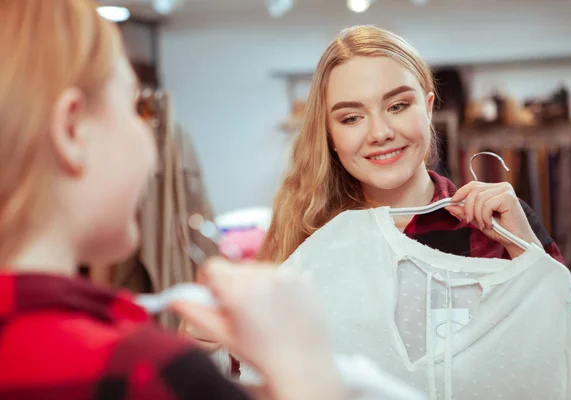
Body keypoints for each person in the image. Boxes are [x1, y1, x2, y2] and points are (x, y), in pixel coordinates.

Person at [0, 1, 348, 399]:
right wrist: (305, 369)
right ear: (72, 131)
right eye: (136, 109)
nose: (149, 142)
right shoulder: (144, 371)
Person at [251, 25, 571, 397]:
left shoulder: (495, 225)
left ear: (428, 107)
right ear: (330, 134)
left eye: (398, 106)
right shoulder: (307, 239)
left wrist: (525, 253)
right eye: (352, 117)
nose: (380, 132)